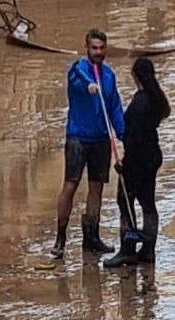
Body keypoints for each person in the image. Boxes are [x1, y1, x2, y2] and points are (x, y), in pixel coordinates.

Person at [52, 28, 125, 259]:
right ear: (87, 49)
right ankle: (60, 237)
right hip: (77, 138)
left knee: (97, 187)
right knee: (70, 185)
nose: (98, 52)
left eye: (102, 48)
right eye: (94, 48)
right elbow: (76, 80)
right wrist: (89, 87)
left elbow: (114, 107)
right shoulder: (78, 70)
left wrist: (124, 134)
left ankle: (91, 237)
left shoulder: (109, 76)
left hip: (101, 138)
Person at [101, 57, 169, 268]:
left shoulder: (140, 102)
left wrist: (125, 163)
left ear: (135, 76)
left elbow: (134, 139)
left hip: (139, 159)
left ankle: (127, 250)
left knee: (125, 201)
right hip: (152, 156)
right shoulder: (156, 98)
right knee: (148, 204)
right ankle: (148, 251)